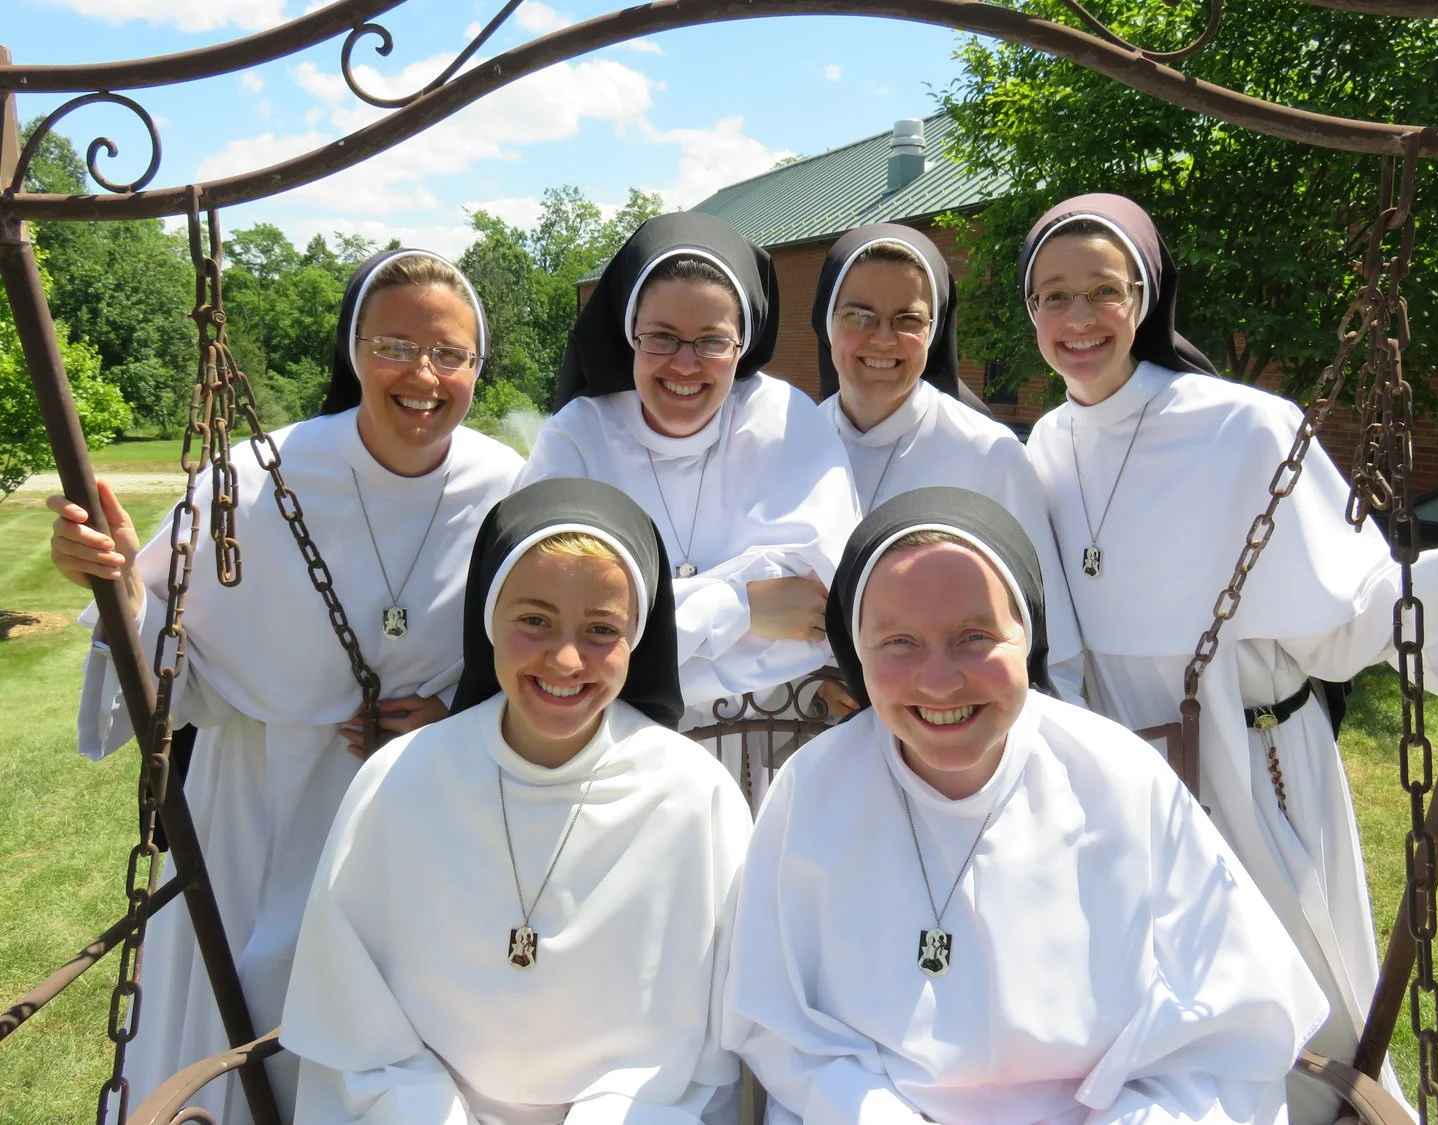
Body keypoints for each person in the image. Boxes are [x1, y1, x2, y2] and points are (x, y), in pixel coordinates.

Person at [1018, 193, 1438, 1122]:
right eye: (1052, 297)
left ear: (1147, 294)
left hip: (1255, 761)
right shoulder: (1047, 439)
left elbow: (1351, 609)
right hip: (1126, 764)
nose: (1077, 321)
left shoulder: (1242, 428)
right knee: (1154, 995)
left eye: (1102, 292)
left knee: (1301, 995)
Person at [48, 249, 525, 1121]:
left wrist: (459, 714)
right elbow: (159, 639)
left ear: (475, 367)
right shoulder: (255, 479)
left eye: (450, 354)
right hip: (256, 810)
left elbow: (551, 654)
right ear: (353, 350)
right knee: (240, 1053)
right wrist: (114, 580)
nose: (423, 374)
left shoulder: (506, 489)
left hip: (416, 824)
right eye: (395, 345)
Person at [723, 487, 1328, 1125]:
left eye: (973, 636)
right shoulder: (813, 788)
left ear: (1028, 636)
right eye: (899, 641)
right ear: (857, 651)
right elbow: (780, 1023)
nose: (938, 680)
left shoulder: (1120, 778)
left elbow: (1225, 1027)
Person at [281, 478, 752, 1125]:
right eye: (534, 620)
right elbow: (354, 1018)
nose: (564, 658)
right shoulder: (401, 779)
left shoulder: (696, 797)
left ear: (638, 636)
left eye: (601, 629)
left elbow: (707, 1053)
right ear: (488, 618)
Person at [516, 213, 859, 796]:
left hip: (778, 748)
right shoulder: (579, 437)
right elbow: (550, 626)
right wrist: (742, 606)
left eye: (712, 341)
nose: (684, 363)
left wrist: (636, 626)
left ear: (743, 342)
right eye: (662, 337)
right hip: (608, 749)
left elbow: (820, 612)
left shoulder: (784, 421)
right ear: (630, 333)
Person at [812, 222, 1085, 704]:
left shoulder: (986, 453)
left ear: (934, 330)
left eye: (908, 319)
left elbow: (1050, 643)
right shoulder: (792, 443)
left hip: (949, 729)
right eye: (859, 315)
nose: (882, 338)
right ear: (826, 320)